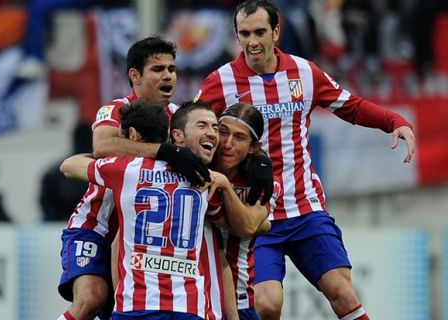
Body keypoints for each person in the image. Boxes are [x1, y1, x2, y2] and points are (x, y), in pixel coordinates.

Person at [195, 1, 416, 319]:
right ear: (237, 36)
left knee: (342, 291)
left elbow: (349, 105)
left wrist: (394, 121)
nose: (252, 41)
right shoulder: (221, 81)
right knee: (267, 304)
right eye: (244, 34)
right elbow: (191, 123)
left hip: (306, 207)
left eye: (260, 32)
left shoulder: (304, 73)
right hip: (255, 214)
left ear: (276, 32)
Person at [56, 36, 208, 320]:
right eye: (158, 69)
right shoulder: (116, 110)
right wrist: (165, 151)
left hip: (147, 239)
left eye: (172, 69)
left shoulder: (181, 117)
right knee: (92, 299)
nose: (168, 76)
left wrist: (258, 160)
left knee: (125, 309)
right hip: (99, 226)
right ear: (135, 76)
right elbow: (102, 146)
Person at [212, 103, 281, 320]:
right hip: (193, 294)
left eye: (239, 137)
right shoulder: (196, 168)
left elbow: (249, 226)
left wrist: (224, 186)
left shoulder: (265, 183)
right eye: (223, 132)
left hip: (240, 295)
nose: (227, 144)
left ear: (254, 147)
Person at [39, 121, 92, 221]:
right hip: (91, 223)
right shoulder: (102, 169)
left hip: (60, 223)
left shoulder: (56, 169)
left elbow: (46, 202)